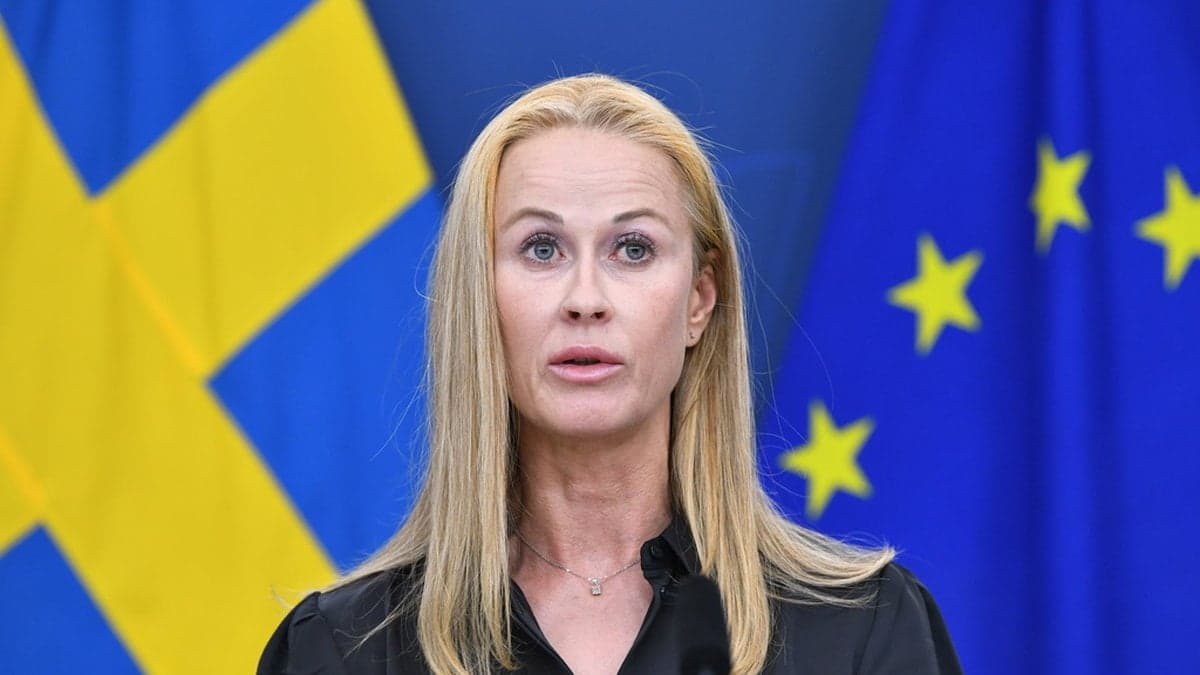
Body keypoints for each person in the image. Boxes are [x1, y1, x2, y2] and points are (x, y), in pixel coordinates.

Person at [258, 73, 961, 674]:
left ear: (699, 300)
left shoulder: (863, 629)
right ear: (476, 297)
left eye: (632, 248)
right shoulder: (340, 649)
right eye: (542, 248)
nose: (586, 299)